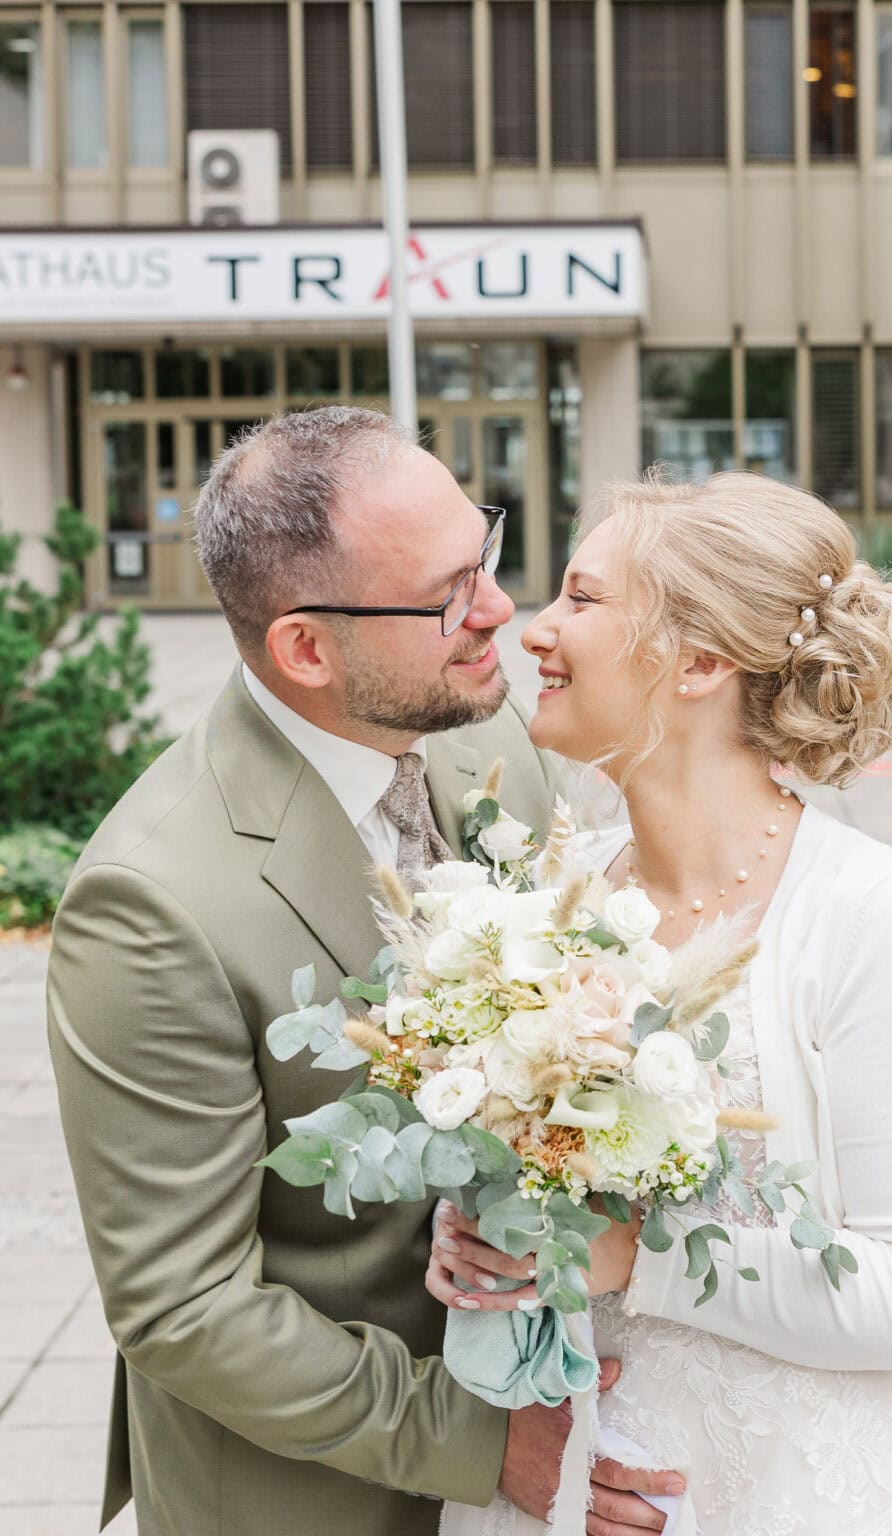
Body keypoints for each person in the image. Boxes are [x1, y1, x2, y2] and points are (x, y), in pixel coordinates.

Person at [46, 407, 684, 1536]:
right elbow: (183, 1307)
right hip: (309, 1491)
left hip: (548, 1413)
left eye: (481, 551)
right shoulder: (151, 904)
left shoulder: (486, 740)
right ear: (305, 648)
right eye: (445, 593)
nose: (498, 609)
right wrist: (487, 1445)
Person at [427, 472, 892, 1535]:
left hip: (815, 1488)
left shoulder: (868, 916)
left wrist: (632, 1258)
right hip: (586, 1481)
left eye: (582, 597)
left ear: (698, 661)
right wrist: (482, 1231)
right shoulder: (546, 902)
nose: (535, 630)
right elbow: (545, 1187)